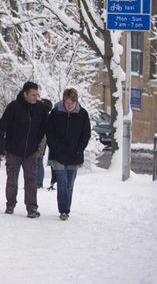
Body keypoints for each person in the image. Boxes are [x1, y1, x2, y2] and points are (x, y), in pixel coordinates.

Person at [0, 81, 49, 218]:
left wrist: (36, 143)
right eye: (32, 95)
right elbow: (1, 128)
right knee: (12, 179)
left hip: (31, 151)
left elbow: (45, 127)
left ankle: (31, 208)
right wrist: (0, 149)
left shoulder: (40, 109)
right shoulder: (13, 107)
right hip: (13, 150)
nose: (35, 97)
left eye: (37, 95)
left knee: (31, 180)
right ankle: (10, 204)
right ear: (25, 94)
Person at [46, 87, 91, 220]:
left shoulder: (83, 114)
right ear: (63, 101)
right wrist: (54, 147)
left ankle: (67, 208)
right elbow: (49, 132)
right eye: (67, 103)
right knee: (62, 181)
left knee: (70, 183)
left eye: (72, 103)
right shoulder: (56, 113)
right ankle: (63, 209)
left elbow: (86, 134)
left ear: (76, 102)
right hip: (58, 154)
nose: (69, 106)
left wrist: (80, 149)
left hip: (75, 154)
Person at [35, 99, 53, 189]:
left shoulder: (42, 116)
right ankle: (38, 182)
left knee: (38, 160)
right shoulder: (47, 116)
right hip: (44, 140)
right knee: (39, 160)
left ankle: (38, 183)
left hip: (41, 139)